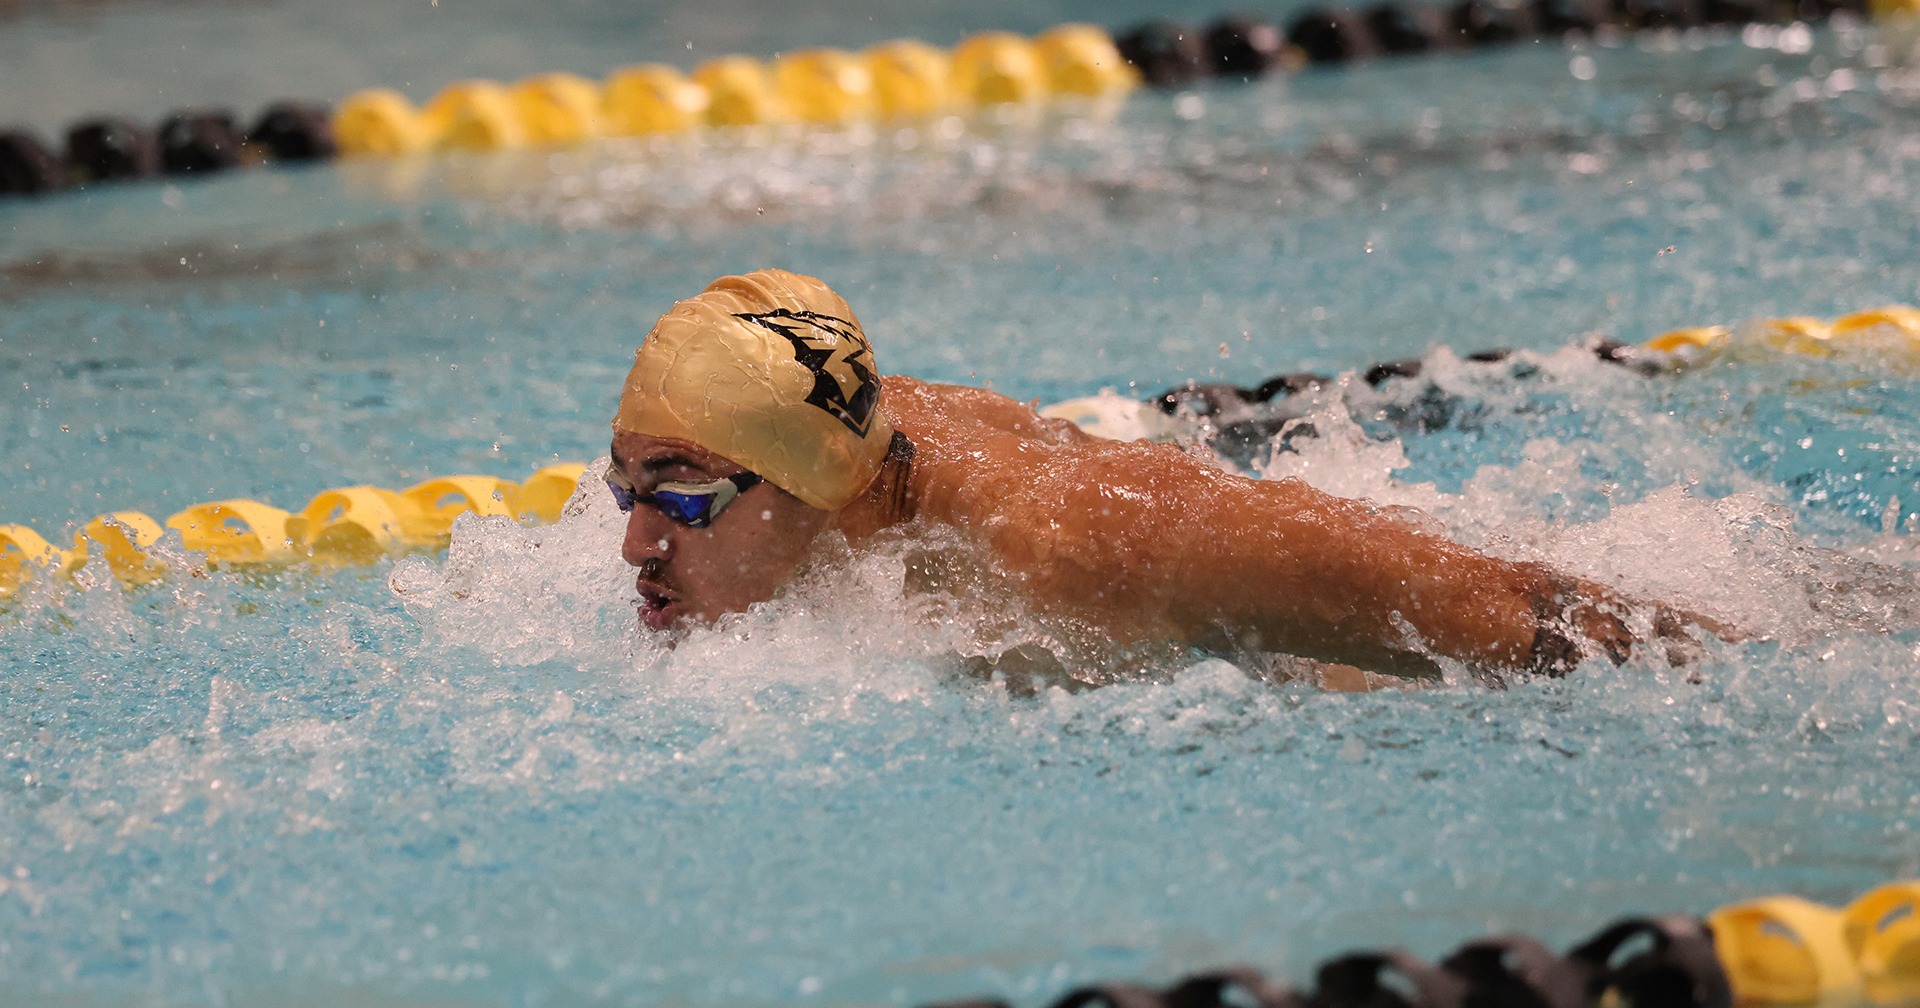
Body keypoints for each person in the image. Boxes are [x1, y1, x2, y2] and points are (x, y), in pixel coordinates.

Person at [607, 268, 1712, 678]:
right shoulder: (833, 450)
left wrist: (1746, 649)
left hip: (1340, 657)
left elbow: (1518, 609)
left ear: (815, 480)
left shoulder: (1064, 544)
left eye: (682, 495)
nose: (635, 543)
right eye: (626, 484)